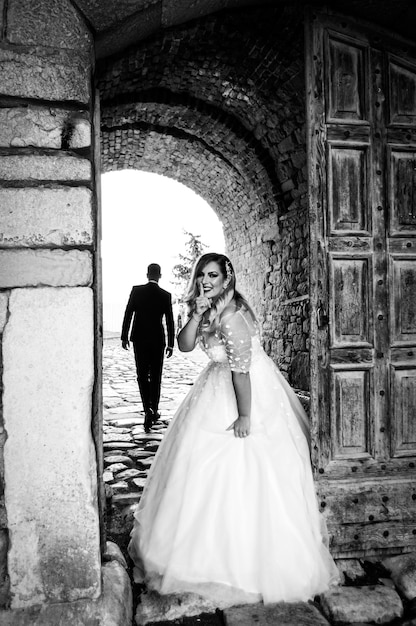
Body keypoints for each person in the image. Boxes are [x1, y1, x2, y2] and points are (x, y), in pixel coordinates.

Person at [128, 253, 339, 606]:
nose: (205, 281)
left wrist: (245, 417)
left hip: (245, 395)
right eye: (201, 275)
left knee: (245, 471)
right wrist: (196, 313)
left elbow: (241, 371)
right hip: (213, 388)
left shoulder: (231, 316)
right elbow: (183, 344)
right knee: (191, 471)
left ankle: (242, 562)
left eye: (213, 275)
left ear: (227, 279)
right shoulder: (210, 310)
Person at [121, 263, 175, 432]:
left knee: (142, 375)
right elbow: (170, 321)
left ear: (147, 274)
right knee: (156, 375)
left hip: (139, 339)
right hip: (158, 340)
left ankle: (147, 409)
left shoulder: (137, 291)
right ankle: (155, 409)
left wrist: (124, 336)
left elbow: (128, 313)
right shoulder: (165, 295)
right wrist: (171, 343)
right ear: (160, 276)